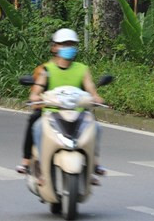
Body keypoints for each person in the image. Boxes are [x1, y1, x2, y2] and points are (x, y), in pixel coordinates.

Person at [28, 28, 105, 180]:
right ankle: (41, 165)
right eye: (63, 44)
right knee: (37, 128)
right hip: (52, 113)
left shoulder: (82, 69)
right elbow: (37, 90)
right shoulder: (47, 70)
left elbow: (90, 88)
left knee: (96, 127)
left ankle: (93, 163)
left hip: (78, 113)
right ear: (54, 47)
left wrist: (96, 97)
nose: (68, 48)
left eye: (71, 44)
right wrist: (35, 97)